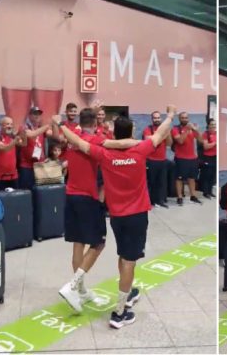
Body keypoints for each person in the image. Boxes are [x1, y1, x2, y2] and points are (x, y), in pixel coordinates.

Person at [55, 106, 174, 329]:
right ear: (131, 133)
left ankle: (126, 292)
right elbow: (161, 133)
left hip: (117, 217)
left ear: (114, 133)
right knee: (130, 261)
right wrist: (170, 116)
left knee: (123, 257)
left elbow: (78, 142)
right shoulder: (141, 149)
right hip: (137, 215)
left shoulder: (104, 152)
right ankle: (119, 312)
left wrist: (60, 123)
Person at [51, 108, 141, 315]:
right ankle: (73, 287)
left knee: (78, 242)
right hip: (88, 198)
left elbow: (59, 135)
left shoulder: (72, 136)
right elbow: (119, 144)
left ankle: (81, 291)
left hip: (70, 195)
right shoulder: (96, 140)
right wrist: (143, 143)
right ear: (95, 122)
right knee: (98, 243)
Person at [17, 106, 52, 190]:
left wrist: (54, 124)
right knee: (26, 191)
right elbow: (31, 135)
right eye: (34, 114)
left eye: (39, 114)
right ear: (29, 116)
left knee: (40, 191)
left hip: (39, 165)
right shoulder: (24, 127)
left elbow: (53, 135)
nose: (37, 116)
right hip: (26, 166)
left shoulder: (41, 128)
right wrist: (46, 126)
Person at [171, 112, 202, 206]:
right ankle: (180, 197)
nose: (185, 119)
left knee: (192, 178)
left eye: (186, 117)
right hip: (181, 157)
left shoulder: (192, 128)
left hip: (192, 158)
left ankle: (193, 196)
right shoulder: (175, 129)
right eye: (182, 118)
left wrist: (196, 130)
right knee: (179, 178)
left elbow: (201, 140)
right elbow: (180, 141)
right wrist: (186, 130)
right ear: (179, 119)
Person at [0, 117, 27, 192]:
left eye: (11, 124)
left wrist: (24, 134)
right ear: (1, 125)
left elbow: (24, 144)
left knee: (14, 200)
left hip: (13, 177)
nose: (10, 126)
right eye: (7, 124)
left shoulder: (13, 138)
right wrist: (15, 141)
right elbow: (4, 149)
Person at [143, 111, 170, 208]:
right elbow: (151, 141)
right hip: (151, 160)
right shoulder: (148, 129)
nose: (157, 119)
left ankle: (160, 200)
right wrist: (163, 136)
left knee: (162, 182)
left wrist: (168, 134)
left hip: (162, 160)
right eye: (155, 118)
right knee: (151, 182)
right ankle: (150, 201)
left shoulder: (164, 130)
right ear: (152, 119)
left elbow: (169, 144)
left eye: (158, 118)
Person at [199, 119, 217, 199]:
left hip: (215, 157)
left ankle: (210, 191)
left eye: (214, 124)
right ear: (208, 125)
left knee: (212, 175)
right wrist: (214, 143)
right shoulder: (205, 134)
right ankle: (205, 192)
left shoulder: (216, 134)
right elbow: (206, 147)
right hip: (207, 157)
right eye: (212, 124)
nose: (213, 126)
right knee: (207, 175)